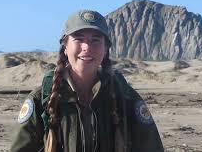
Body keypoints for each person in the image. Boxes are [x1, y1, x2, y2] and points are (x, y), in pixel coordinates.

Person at [10, 9, 164, 152]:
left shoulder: (125, 97)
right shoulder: (41, 100)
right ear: (65, 47)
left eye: (95, 40)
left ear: (105, 49)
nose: (87, 47)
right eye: (78, 39)